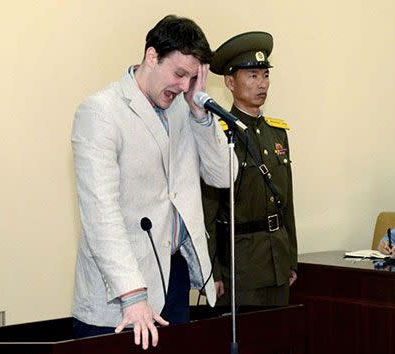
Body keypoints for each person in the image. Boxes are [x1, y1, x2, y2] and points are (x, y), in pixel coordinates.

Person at [71, 15, 237, 349]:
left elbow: (223, 175)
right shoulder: (101, 112)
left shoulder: (183, 107)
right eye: (179, 74)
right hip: (120, 290)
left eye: (192, 78)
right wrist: (133, 295)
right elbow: (101, 216)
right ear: (151, 56)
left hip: (173, 276)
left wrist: (201, 115)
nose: (183, 86)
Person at [201, 31, 297, 306]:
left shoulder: (277, 134)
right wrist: (212, 271)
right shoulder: (218, 135)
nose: (262, 83)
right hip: (239, 267)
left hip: (277, 261)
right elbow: (208, 210)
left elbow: (287, 203)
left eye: (265, 75)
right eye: (252, 76)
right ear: (230, 82)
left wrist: (291, 258)